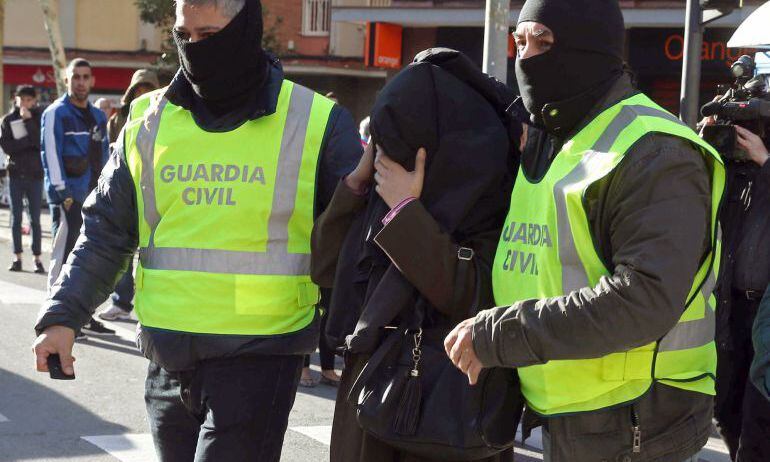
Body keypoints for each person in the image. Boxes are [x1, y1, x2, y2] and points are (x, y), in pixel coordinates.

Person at [32, 1, 361, 461]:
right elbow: (107, 231)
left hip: (260, 357)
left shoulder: (315, 121)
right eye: (185, 35)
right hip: (168, 359)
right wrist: (63, 316)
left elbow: (355, 238)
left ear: (245, 28)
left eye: (209, 35)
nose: (195, 48)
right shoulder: (147, 121)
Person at [444, 1, 725, 461]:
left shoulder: (655, 149)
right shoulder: (556, 136)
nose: (526, 57)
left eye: (544, 40)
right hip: (572, 410)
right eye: (520, 42)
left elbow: (643, 299)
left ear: (591, 46)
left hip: (637, 421)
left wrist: (500, 335)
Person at [314, 49, 518, 462]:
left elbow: (470, 293)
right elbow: (324, 266)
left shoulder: (487, 200)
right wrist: (356, 183)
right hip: (372, 403)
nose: (389, 153)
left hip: (445, 415)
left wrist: (408, 214)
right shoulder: (380, 192)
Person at [40, 58, 115, 337]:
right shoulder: (56, 112)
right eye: (76, 77)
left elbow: (106, 155)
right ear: (67, 79)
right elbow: (50, 154)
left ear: (92, 81)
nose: (81, 82)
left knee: (89, 256)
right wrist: (62, 193)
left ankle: (84, 314)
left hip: (94, 195)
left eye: (86, 77)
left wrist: (108, 189)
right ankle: (55, 316)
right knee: (63, 255)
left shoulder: (98, 116)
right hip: (68, 196)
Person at [709, 120, 770, 460]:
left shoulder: (763, 164)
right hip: (731, 310)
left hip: (765, 314)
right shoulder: (736, 171)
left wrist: (765, 160)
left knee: (759, 421)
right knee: (726, 408)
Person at [98, 69, 160, 322]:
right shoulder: (120, 118)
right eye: (138, 89)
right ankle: (121, 302)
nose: (143, 94)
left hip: (157, 191)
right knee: (123, 249)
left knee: (154, 253)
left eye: (148, 88)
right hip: (126, 189)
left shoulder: (169, 115)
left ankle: (154, 305)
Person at [0, 85, 45, 274]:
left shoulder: (39, 117)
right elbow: (8, 147)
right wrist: (27, 142)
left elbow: (40, 142)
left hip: (35, 175)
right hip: (16, 174)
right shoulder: (8, 120)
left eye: (29, 99)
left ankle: (37, 259)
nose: (25, 103)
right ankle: (17, 257)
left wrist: (28, 123)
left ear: (34, 101)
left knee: (35, 218)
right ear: (15, 99)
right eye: (22, 99)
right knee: (16, 218)